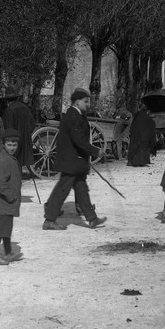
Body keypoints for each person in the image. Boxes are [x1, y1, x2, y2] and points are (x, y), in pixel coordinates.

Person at [42, 88, 105, 230]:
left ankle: (92, 218)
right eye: (86, 101)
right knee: (62, 190)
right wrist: (95, 150)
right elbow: (78, 140)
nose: (88, 104)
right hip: (71, 161)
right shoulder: (73, 116)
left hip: (74, 161)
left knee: (81, 189)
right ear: (77, 102)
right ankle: (49, 220)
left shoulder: (75, 115)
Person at [0, 129, 24, 265]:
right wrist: (11, 196)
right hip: (4, 203)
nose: (12, 148)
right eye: (9, 145)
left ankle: (8, 253)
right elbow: (0, 183)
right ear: (3, 145)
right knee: (0, 230)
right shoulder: (4, 160)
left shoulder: (9, 158)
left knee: (6, 229)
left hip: (6, 204)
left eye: (14, 145)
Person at [0, 95, 35, 174]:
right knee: (21, 155)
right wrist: (27, 133)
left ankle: (13, 173)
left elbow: (8, 126)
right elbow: (32, 123)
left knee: (13, 155)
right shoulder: (25, 108)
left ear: (7, 101)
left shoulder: (9, 110)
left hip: (14, 137)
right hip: (25, 137)